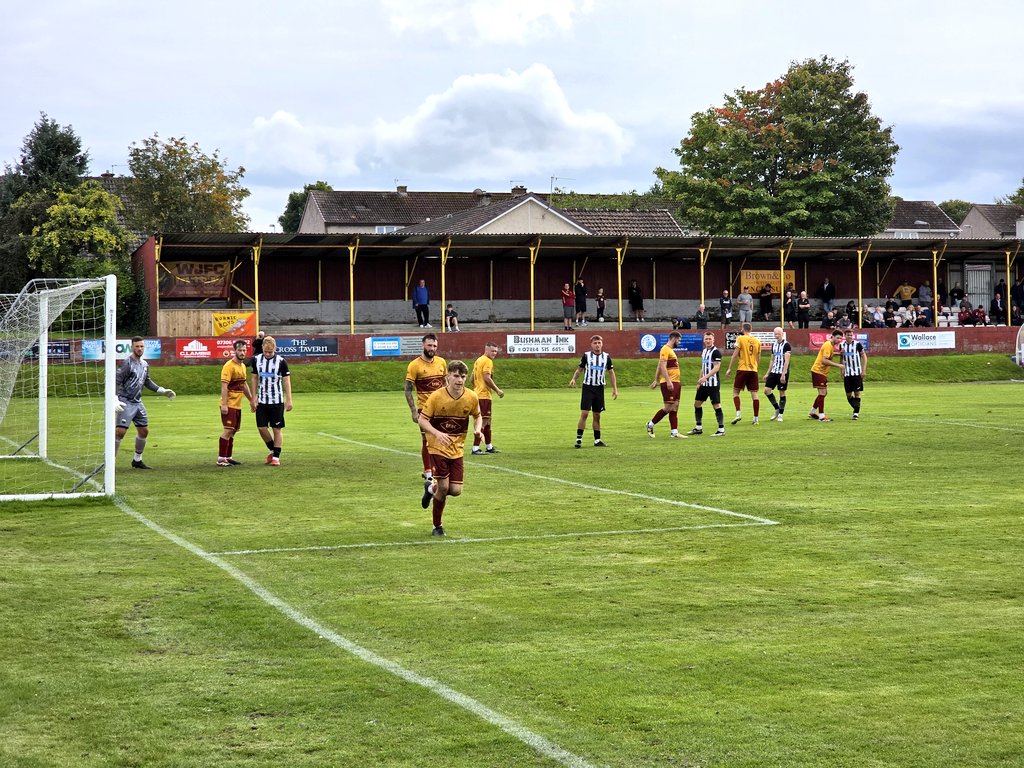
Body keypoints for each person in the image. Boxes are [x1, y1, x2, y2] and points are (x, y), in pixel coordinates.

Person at [418, 360, 483, 537]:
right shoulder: (436, 397)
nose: (459, 380)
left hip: (457, 449)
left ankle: (430, 489)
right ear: (447, 376)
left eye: (462, 377)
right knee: (444, 488)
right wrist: (436, 433)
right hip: (437, 447)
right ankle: (437, 526)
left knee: (456, 490)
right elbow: (423, 420)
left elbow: (478, 416)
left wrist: (478, 430)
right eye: (455, 376)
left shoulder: (471, 397)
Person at [114, 336, 175, 469]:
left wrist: (161, 390)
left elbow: (147, 381)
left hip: (138, 402)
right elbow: (116, 380)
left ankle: (137, 460)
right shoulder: (127, 363)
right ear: (132, 347)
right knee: (120, 432)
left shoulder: (144, 364)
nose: (140, 349)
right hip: (126, 402)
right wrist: (115, 398)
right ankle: (109, 462)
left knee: (144, 431)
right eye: (137, 346)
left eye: (141, 346)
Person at [405, 333, 447, 482]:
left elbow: (445, 384)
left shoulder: (441, 362)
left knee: (442, 439)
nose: (432, 348)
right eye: (429, 345)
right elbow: (408, 389)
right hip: (425, 409)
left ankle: (439, 470)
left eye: (434, 346)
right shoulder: (414, 365)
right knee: (427, 440)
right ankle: (428, 473)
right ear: (423, 345)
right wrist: (413, 410)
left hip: (441, 409)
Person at [569, 334, 618, 448]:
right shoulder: (586, 356)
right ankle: (579, 439)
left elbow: (611, 373)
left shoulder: (606, 357)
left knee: (597, 415)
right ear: (591, 345)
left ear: (602, 344)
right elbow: (580, 369)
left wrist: (615, 388)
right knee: (585, 413)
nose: (597, 345)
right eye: (595, 343)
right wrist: (573, 379)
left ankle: (597, 440)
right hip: (588, 387)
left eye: (599, 343)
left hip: (599, 388)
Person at [250, 335, 293, 466]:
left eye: (271, 352)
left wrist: (289, 399)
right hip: (262, 400)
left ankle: (276, 457)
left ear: (275, 349)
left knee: (277, 428)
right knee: (261, 428)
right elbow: (254, 378)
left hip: (277, 400)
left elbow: (286, 381)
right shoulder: (256, 360)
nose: (268, 354)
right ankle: (272, 449)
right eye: (266, 351)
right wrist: (253, 396)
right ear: (262, 348)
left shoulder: (281, 361)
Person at [218, 339, 254, 466]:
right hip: (229, 404)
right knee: (227, 430)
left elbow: (243, 385)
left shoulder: (243, 366)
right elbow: (224, 386)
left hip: (238, 405)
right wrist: (224, 404)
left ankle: (228, 456)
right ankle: (221, 458)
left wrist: (251, 400)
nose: (242, 352)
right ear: (235, 351)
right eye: (240, 350)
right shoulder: (228, 366)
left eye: (244, 350)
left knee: (233, 431)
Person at [688, 331, 726, 437]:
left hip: (713, 384)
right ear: (703, 340)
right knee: (697, 404)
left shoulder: (716, 352)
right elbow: (703, 367)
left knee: (716, 405)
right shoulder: (704, 351)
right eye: (706, 339)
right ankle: (698, 427)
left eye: (710, 339)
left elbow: (717, 367)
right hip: (704, 384)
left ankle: (721, 429)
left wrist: (705, 377)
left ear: (713, 340)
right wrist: (699, 380)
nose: (708, 341)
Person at [646, 331, 683, 438]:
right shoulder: (665, 349)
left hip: (676, 382)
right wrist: (668, 381)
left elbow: (659, 365)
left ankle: (674, 432)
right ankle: (650, 424)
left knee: (675, 406)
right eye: (679, 340)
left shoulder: (670, 350)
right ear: (674, 339)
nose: (679, 342)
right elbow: (662, 366)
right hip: (670, 382)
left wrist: (656, 380)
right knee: (668, 407)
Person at [724, 321, 762, 425]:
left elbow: (735, 355)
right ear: (751, 329)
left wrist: (729, 368)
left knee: (735, 392)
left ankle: (738, 414)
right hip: (753, 370)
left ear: (742, 329)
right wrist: (756, 367)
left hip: (742, 368)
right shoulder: (757, 341)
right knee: (754, 394)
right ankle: (756, 418)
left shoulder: (740, 338)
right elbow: (759, 357)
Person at [471, 342, 504, 455]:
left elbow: (472, 378)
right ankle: (475, 448)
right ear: (486, 349)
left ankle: (489, 446)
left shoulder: (478, 360)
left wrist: (476, 387)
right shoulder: (487, 361)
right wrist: (497, 390)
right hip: (483, 396)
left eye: (496, 351)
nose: (494, 353)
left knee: (488, 421)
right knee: (483, 422)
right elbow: (487, 377)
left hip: (478, 394)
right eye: (492, 351)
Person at [809, 329, 843, 422]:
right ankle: (821, 416)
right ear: (832, 337)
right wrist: (838, 365)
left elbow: (829, 355)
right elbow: (824, 360)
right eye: (837, 338)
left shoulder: (830, 345)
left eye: (840, 338)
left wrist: (838, 353)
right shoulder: (828, 345)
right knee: (822, 393)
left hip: (821, 372)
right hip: (818, 371)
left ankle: (812, 412)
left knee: (823, 393)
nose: (839, 340)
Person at [763, 326, 791, 422]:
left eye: (778, 334)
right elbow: (772, 359)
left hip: (782, 372)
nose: (776, 336)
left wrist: (783, 374)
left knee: (781, 392)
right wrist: (767, 373)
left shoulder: (786, 345)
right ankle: (776, 408)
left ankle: (781, 414)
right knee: (767, 390)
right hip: (774, 371)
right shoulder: (773, 344)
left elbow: (786, 361)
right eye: (775, 334)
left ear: (782, 334)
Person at [838, 328, 867, 420]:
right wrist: (841, 369)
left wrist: (863, 370)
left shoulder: (857, 344)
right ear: (845, 336)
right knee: (848, 395)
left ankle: (856, 413)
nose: (850, 336)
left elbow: (864, 357)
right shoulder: (841, 345)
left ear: (852, 335)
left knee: (857, 393)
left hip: (857, 372)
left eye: (851, 335)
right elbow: (841, 358)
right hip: (847, 373)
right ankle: (856, 407)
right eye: (848, 335)